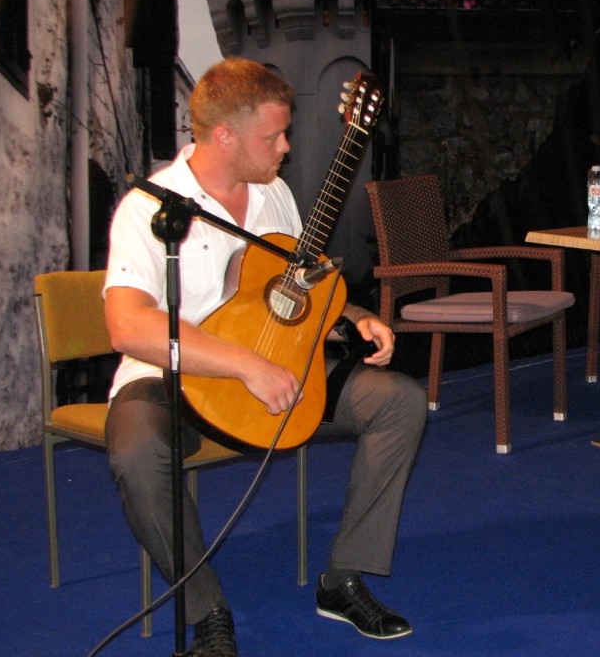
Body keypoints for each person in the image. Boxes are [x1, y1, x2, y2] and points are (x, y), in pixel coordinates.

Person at [104, 57, 426, 656]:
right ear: (225, 137)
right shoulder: (150, 208)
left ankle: (343, 579)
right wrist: (244, 365)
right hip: (170, 377)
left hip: (278, 362)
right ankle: (206, 611)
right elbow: (128, 327)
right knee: (136, 451)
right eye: (273, 136)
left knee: (400, 401)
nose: (286, 147)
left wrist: (353, 316)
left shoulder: (274, 193)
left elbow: (296, 285)